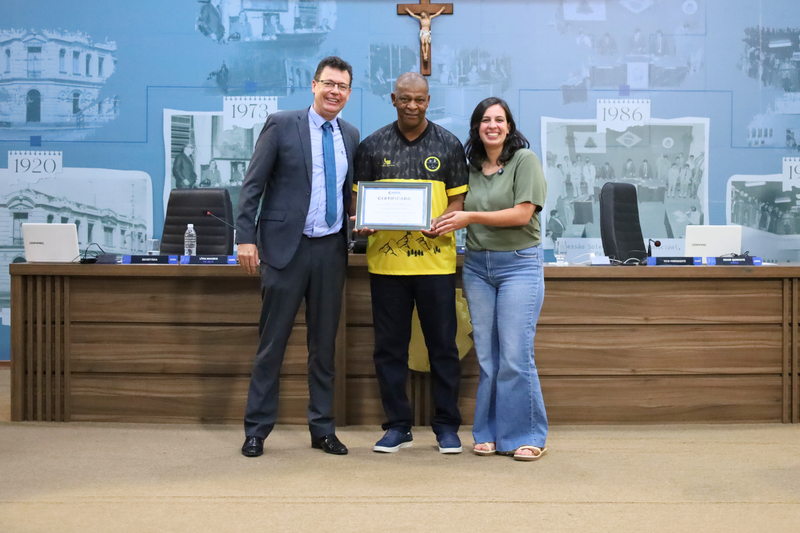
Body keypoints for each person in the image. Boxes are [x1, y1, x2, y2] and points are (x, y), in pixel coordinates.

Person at [236, 56, 359, 458]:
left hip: (330, 251)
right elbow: (252, 185)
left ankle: (322, 429)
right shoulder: (282, 124)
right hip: (284, 249)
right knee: (272, 344)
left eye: (341, 86)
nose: (334, 91)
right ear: (313, 85)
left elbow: (348, 196)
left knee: (324, 348)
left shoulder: (351, 135)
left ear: (349, 93)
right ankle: (256, 430)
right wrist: (245, 238)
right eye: (328, 83)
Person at [353, 72, 468, 455]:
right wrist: (362, 222)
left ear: (428, 100)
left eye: (419, 100)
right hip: (386, 267)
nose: (412, 106)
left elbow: (457, 203)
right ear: (393, 99)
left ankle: (447, 427)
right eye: (405, 99)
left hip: (436, 266)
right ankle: (397, 425)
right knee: (389, 350)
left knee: (443, 349)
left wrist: (444, 222)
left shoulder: (449, 145)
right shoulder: (372, 146)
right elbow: (357, 204)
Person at [435, 97, 548, 461]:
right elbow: (452, 208)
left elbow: (521, 214)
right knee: (488, 358)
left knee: (516, 355)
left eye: (500, 119)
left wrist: (470, 219)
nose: (493, 125)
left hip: (519, 265)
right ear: (477, 128)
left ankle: (527, 435)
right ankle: (488, 433)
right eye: (485, 120)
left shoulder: (524, 161)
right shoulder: (468, 168)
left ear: (510, 127)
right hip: (478, 268)